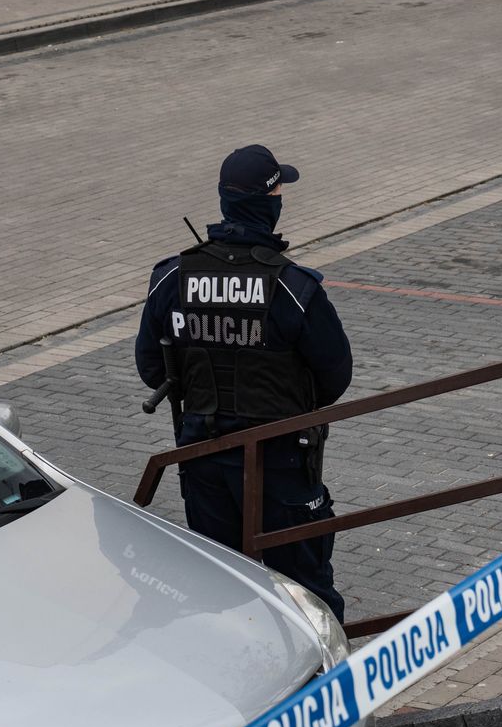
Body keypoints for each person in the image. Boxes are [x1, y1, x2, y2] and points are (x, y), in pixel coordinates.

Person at [135, 144, 352, 621]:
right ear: (268, 201)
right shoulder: (295, 288)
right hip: (280, 461)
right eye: (279, 188)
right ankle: (326, 687)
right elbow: (335, 377)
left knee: (221, 586)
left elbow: (152, 367)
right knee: (305, 591)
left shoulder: (171, 277)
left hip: (202, 458)